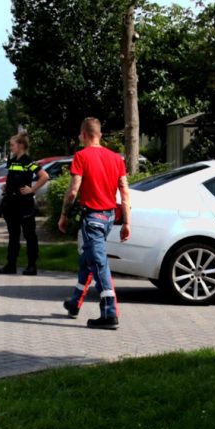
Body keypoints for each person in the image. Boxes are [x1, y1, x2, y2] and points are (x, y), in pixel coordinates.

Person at [57, 117, 130, 329]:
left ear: (85, 134)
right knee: (87, 260)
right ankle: (75, 303)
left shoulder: (81, 156)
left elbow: (73, 190)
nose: (79, 138)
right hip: (108, 218)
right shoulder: (116, 158)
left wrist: (64, 215)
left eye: (80, 134)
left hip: (92, 219)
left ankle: (109, 312)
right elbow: (124, 192)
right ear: (100, 135)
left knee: (98, 263)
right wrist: (127, 222)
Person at [0, 132, 49, 275]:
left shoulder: (28, 161)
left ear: (21, 145)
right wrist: (7, 186)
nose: (11, 148)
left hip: (24, 204)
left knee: (29, 235)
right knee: (13, 235)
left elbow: (44, 176)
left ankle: (32, 266)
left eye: (12, 145)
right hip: (11, 204)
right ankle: (11, 264)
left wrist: (32, 189)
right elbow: (13, 178)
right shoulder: (12, 161)